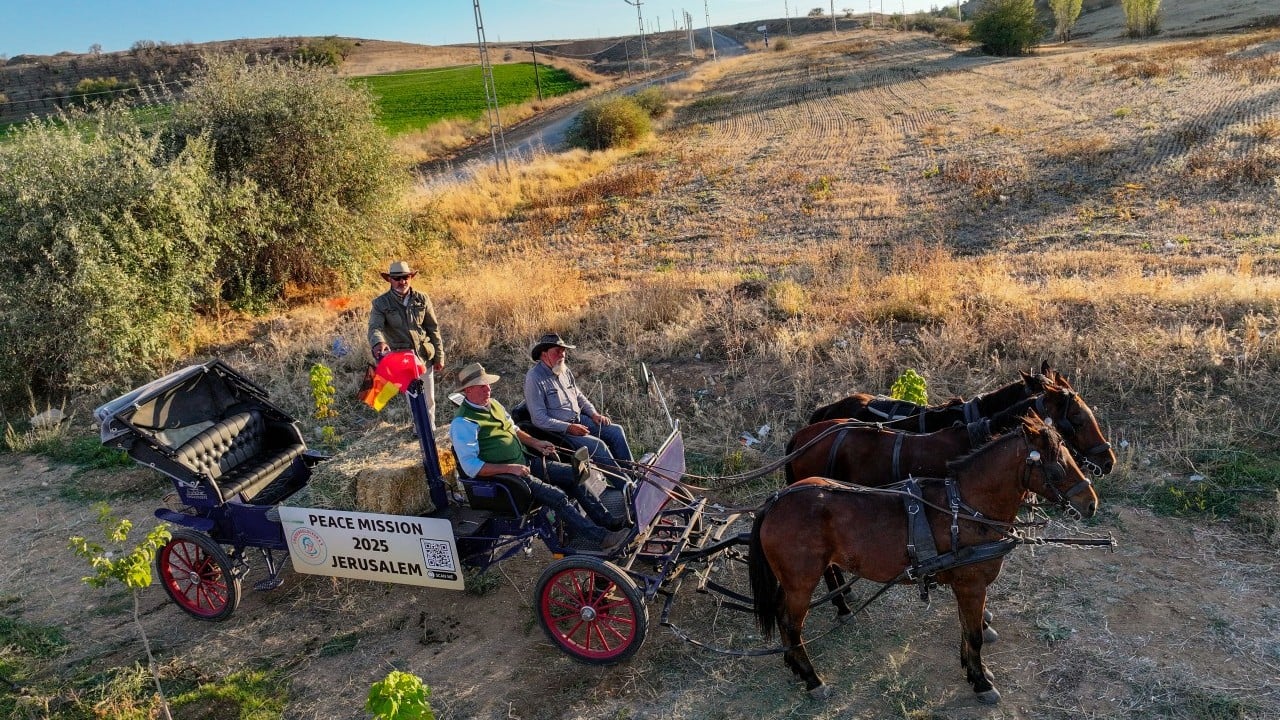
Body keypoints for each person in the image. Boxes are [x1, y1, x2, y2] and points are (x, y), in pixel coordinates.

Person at [450, 362, 630, 550]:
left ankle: (609, 521)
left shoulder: (493, 404)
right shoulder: (463, 423)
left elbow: (514, 429)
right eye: (482, 386)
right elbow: (472, 467)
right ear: (468, 390)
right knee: (557, 496)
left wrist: (536, 443)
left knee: (575, 473)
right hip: (508, 480)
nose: (488, 389)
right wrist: (510, 469)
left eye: (488, 384)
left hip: (526, 462)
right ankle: (601, 538)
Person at [524, 333, 634, 474]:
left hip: (579, 420)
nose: (562, 355)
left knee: (616, 431)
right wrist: (569, 427)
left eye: (563, 351)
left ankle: (632, 473)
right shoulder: (534, 378)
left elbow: (579, 396)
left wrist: (594, 414)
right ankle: (625, 484)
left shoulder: (563, 370)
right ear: (544, 354)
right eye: (557, 351)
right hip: (560, 432)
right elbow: (539, 419)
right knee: (598, 445)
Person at [368, 261, 445, 427]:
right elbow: (375, 328)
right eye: (397, 278)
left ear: (410, 277)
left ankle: (429, 431)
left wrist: (439, 356)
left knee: (429, 398)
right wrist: (379, 343)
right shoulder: (381, 303)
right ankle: (420, 429)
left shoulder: (422, 298)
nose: (402, 282)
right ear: (390, 280)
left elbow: (433, 328)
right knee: (414, 400)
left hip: (424, 356)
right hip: (402, 360)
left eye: (405, 277)